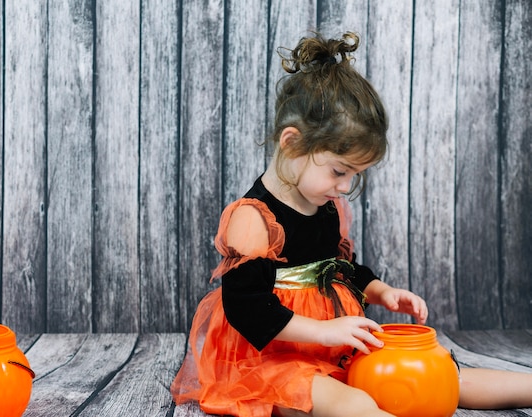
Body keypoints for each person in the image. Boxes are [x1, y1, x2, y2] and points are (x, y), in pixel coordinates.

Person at [170, 31, 532, 417]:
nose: (344, 187)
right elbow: (247, 309)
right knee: (354, 403)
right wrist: (324, 331)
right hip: (268, 357)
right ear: (291, 144)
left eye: (354, 175)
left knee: (437, 376)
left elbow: (339, 272)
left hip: (331, 346)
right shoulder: (253, 218)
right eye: (339, 171)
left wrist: (381, 291)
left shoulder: (326, 203)